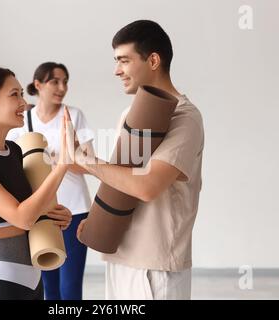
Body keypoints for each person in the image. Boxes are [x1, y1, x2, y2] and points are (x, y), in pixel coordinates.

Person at [75, 20, 205, 300]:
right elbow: (119, 177)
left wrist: (87, 161)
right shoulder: (130, 114)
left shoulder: (186, 118)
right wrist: (98, 219)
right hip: (120, 256)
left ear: (154, 60)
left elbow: (147, 186)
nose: (116, 70)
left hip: (155, 268)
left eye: (124, 60)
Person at [0, 67, 73, 300]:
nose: (23, 102)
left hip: (32, 278)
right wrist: (62, 166)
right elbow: (21, 217)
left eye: (21, 93)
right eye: (14, 95)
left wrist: (55, 216)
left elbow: (33, 209)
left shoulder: (16, 151)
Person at [6, 62, 94, 300]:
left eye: (65, 81)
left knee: (70, 286)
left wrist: (58, 158)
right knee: (47, 287)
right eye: (55, 81)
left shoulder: (74, 115)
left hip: (75, 209)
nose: (62, 87)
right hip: (40, 208)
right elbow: (13, 164)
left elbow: (89, 163)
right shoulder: (22, 120)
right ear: (38, 85)